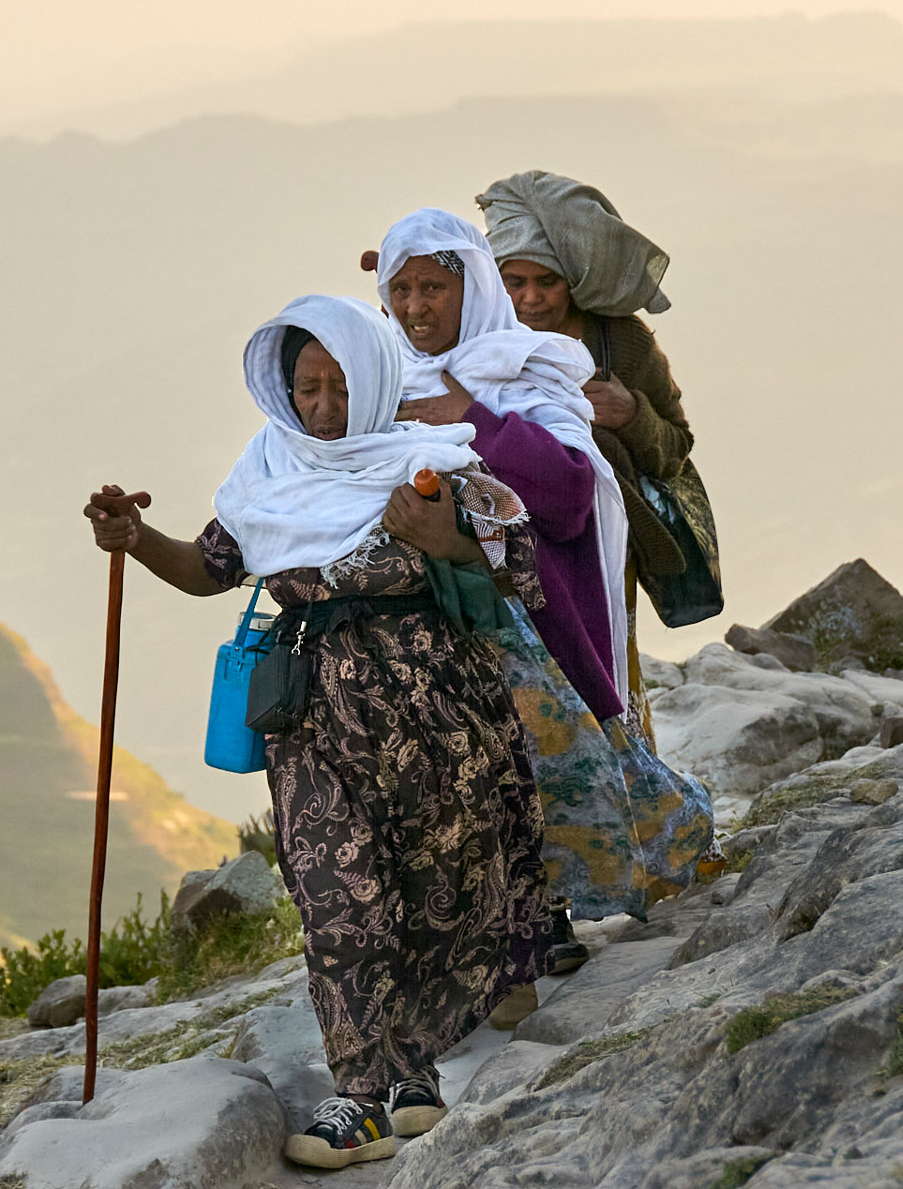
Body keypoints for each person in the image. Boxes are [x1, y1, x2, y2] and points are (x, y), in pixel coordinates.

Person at [83, 295, 552, 1170]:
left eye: (341, 385)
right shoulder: (268, 473)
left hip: (439, 711)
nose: (326, 407)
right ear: (284, 391)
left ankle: (414, 1069)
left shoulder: (435, 467)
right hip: (314, 716)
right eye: (308, 387)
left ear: (373, 382)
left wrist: (447, 538)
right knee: (338, 900)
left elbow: (523, 562)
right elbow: (208, 566)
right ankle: (358, 1092)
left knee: (438, 887)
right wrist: (136, 536)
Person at [371, 210, 714, 998]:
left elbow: (564, 494)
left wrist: (475, 419)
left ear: (472, 288)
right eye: (402, 288)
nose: (417, 306)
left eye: (434, 287)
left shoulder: (531, 367)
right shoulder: (374, 375)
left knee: (538, 762)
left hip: (531, 614)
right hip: (425, 625)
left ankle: (546, 912)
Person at [477, 170, 695, 750]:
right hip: (501, 549)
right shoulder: (478, 339)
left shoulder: (621, 344)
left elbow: (676, 445)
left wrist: (632, 414)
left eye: (545, 281)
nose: (530, 298)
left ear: (572, 280)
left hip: (599, 547)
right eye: (514, 281)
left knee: (602, 670)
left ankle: (631, 784)